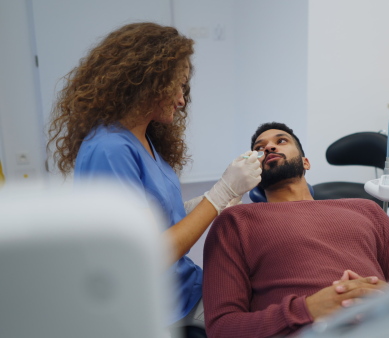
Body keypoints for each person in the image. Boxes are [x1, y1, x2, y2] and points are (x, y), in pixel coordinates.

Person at [46, 22, 261, 336]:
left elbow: (152, 218)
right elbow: (149, 254)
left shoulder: (142, 140)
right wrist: (219, 193)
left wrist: (200, 204)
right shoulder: (109, 149)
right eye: (177, 86)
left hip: (186, 289)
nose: (181, 99)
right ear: (149, 82)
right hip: (158, 312)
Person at [202, 122, 389, 337]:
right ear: (254, 171)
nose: (268, 148)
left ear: (306, 162)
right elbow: (222, 328)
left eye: (281, 141)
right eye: (260, 148)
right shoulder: (235, 222)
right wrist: (308, 309)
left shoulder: (367, 210)